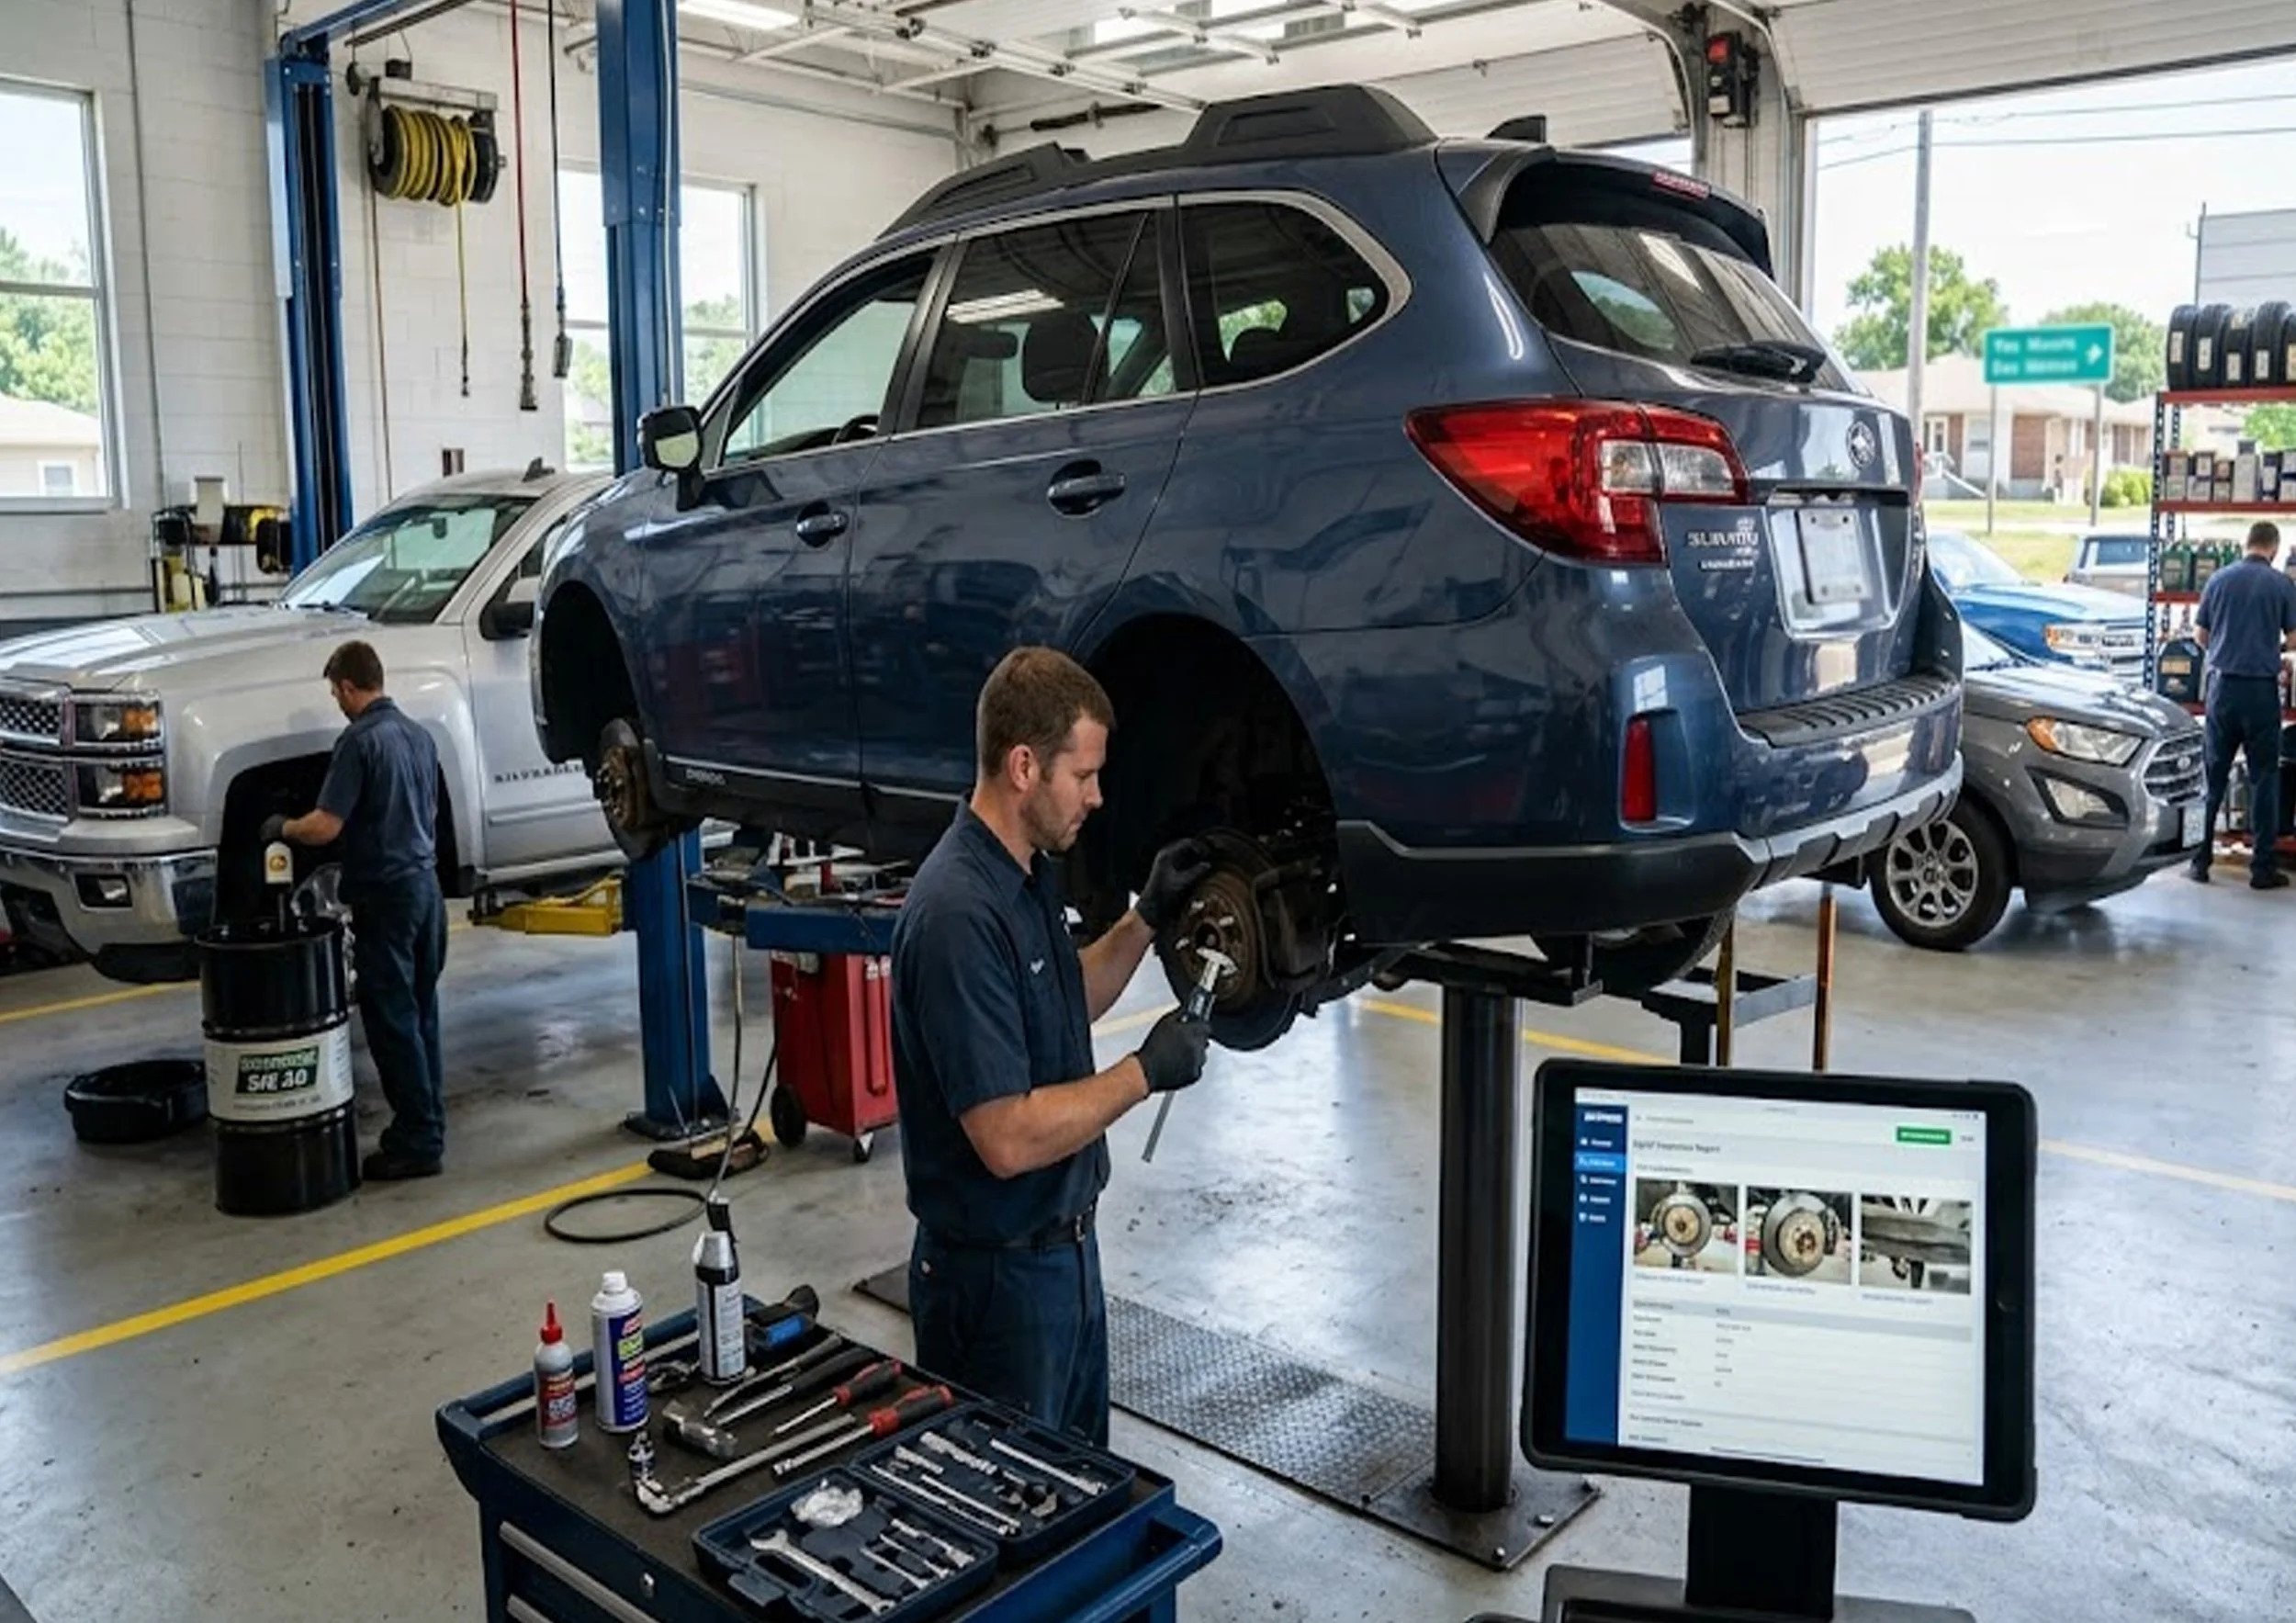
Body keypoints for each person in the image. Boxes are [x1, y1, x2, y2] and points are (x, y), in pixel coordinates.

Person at [891, 647, 1214, 1445]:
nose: (1097, 796)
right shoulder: (958, 915)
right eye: (1084, 775)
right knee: (1005, 1502)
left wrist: (1145, 918)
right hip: (995, 1288)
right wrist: (1143, 1072)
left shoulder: (1026, 873)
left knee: (1079, 1494)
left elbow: (1063, 999)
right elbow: (1004, 1136)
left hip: (1063, 1261)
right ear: (1024, 767)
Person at [264, 640, 450, 1177]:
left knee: (391, 1020)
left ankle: (417, 1142)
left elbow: (326, 826)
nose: (337, 702)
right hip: (426, 890)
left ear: (348, 686)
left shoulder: (359, 741)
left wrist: (282, 827)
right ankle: (429, 1124)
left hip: (387, 898)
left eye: (335, 692)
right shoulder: (419, 736)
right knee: (421, 1011)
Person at [2190, 521, 2296, 890]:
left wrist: (2228, 648)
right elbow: (2294, 640)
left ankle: (2199, 860)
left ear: (2246, 544)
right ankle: (2262, 869)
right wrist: (2272, 654)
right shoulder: (2281, 585)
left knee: (2212, 778)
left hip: (2222, 689)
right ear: (2274, 549)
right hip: (2260, 692)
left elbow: (2200, 635)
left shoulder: (2218, 580)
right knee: (2264, 778)